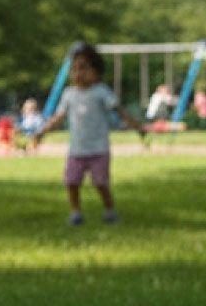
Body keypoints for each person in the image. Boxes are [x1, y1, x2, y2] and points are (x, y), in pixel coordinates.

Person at [33, 43, 146, 224]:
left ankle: (109, 210)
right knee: (71, 181)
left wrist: (136, 126)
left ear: (96, 71)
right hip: (77, 149)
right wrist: (42, 132)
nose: (79, 73)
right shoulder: (69, 94)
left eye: (84, 68)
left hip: (98, 148)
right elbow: (59, 117)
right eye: (75, 69)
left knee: (100, 182)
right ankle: (76, 212)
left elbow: (119, 111)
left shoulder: (101, 92)